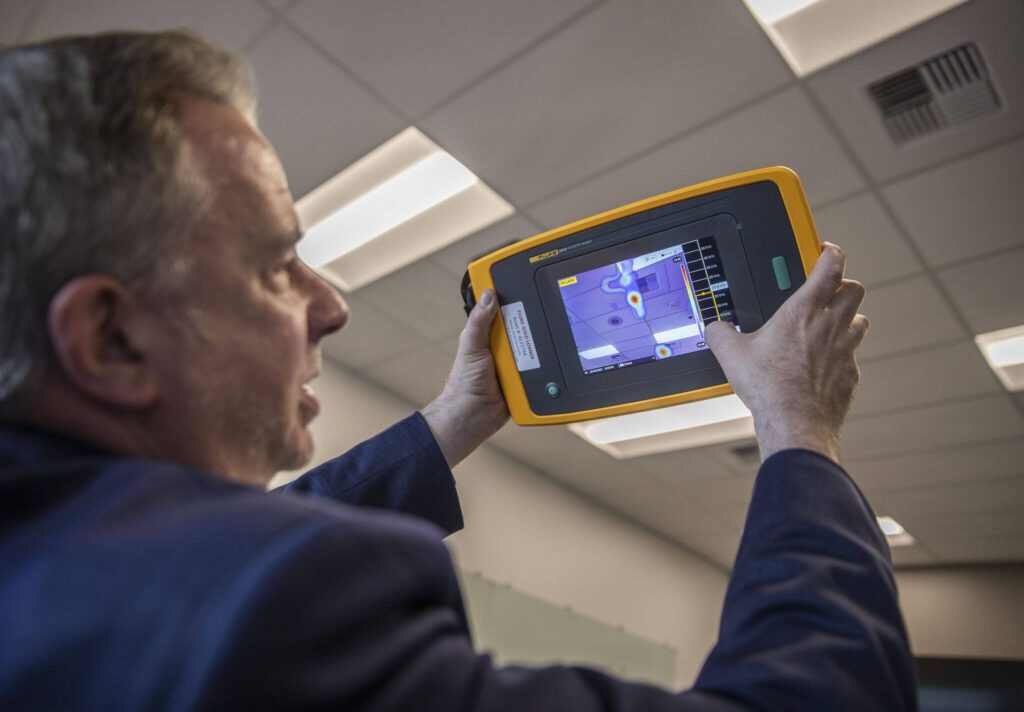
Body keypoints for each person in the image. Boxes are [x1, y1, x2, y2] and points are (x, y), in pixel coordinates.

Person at [0, 31, 916, 711]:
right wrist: (799, 430)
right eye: (278, 266)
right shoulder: (275, 604)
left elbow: (186, 565)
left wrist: (455, 419)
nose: (330, 306)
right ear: (111, 340)